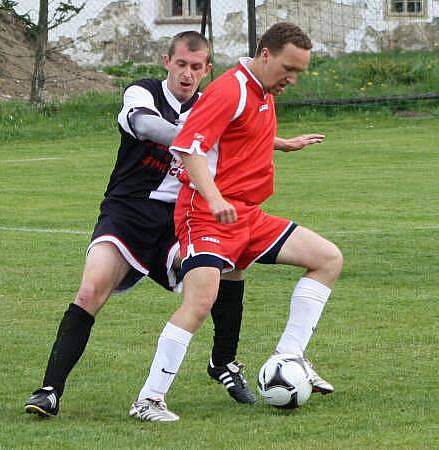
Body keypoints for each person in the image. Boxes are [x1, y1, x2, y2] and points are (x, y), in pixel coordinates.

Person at [24, 31, 258, 418]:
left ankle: (224, 363)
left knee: (229, 264)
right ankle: (49, 391)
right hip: (127, 214)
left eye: (196, 67)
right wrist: (199, 136)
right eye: (180, 64)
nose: (187, 74)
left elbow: (241, 140)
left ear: (207, 70)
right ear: (167, 61)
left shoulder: (210, 105)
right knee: (89, 291)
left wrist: (272, 141)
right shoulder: (142, 92)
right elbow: (147, 127)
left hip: (179, 219)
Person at [130, 22, 343, 422]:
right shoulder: (230, 88)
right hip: (206, 215)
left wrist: (283, 143)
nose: (292, 80)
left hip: (247, 214)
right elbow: (187, 147)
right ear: (265, 55)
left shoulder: (261, 89)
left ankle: (289, 357)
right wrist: (214, 198)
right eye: (287, 69)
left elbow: (238, 134)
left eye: (298, 72)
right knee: (200, 302)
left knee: (328, 258)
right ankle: (148, 399)